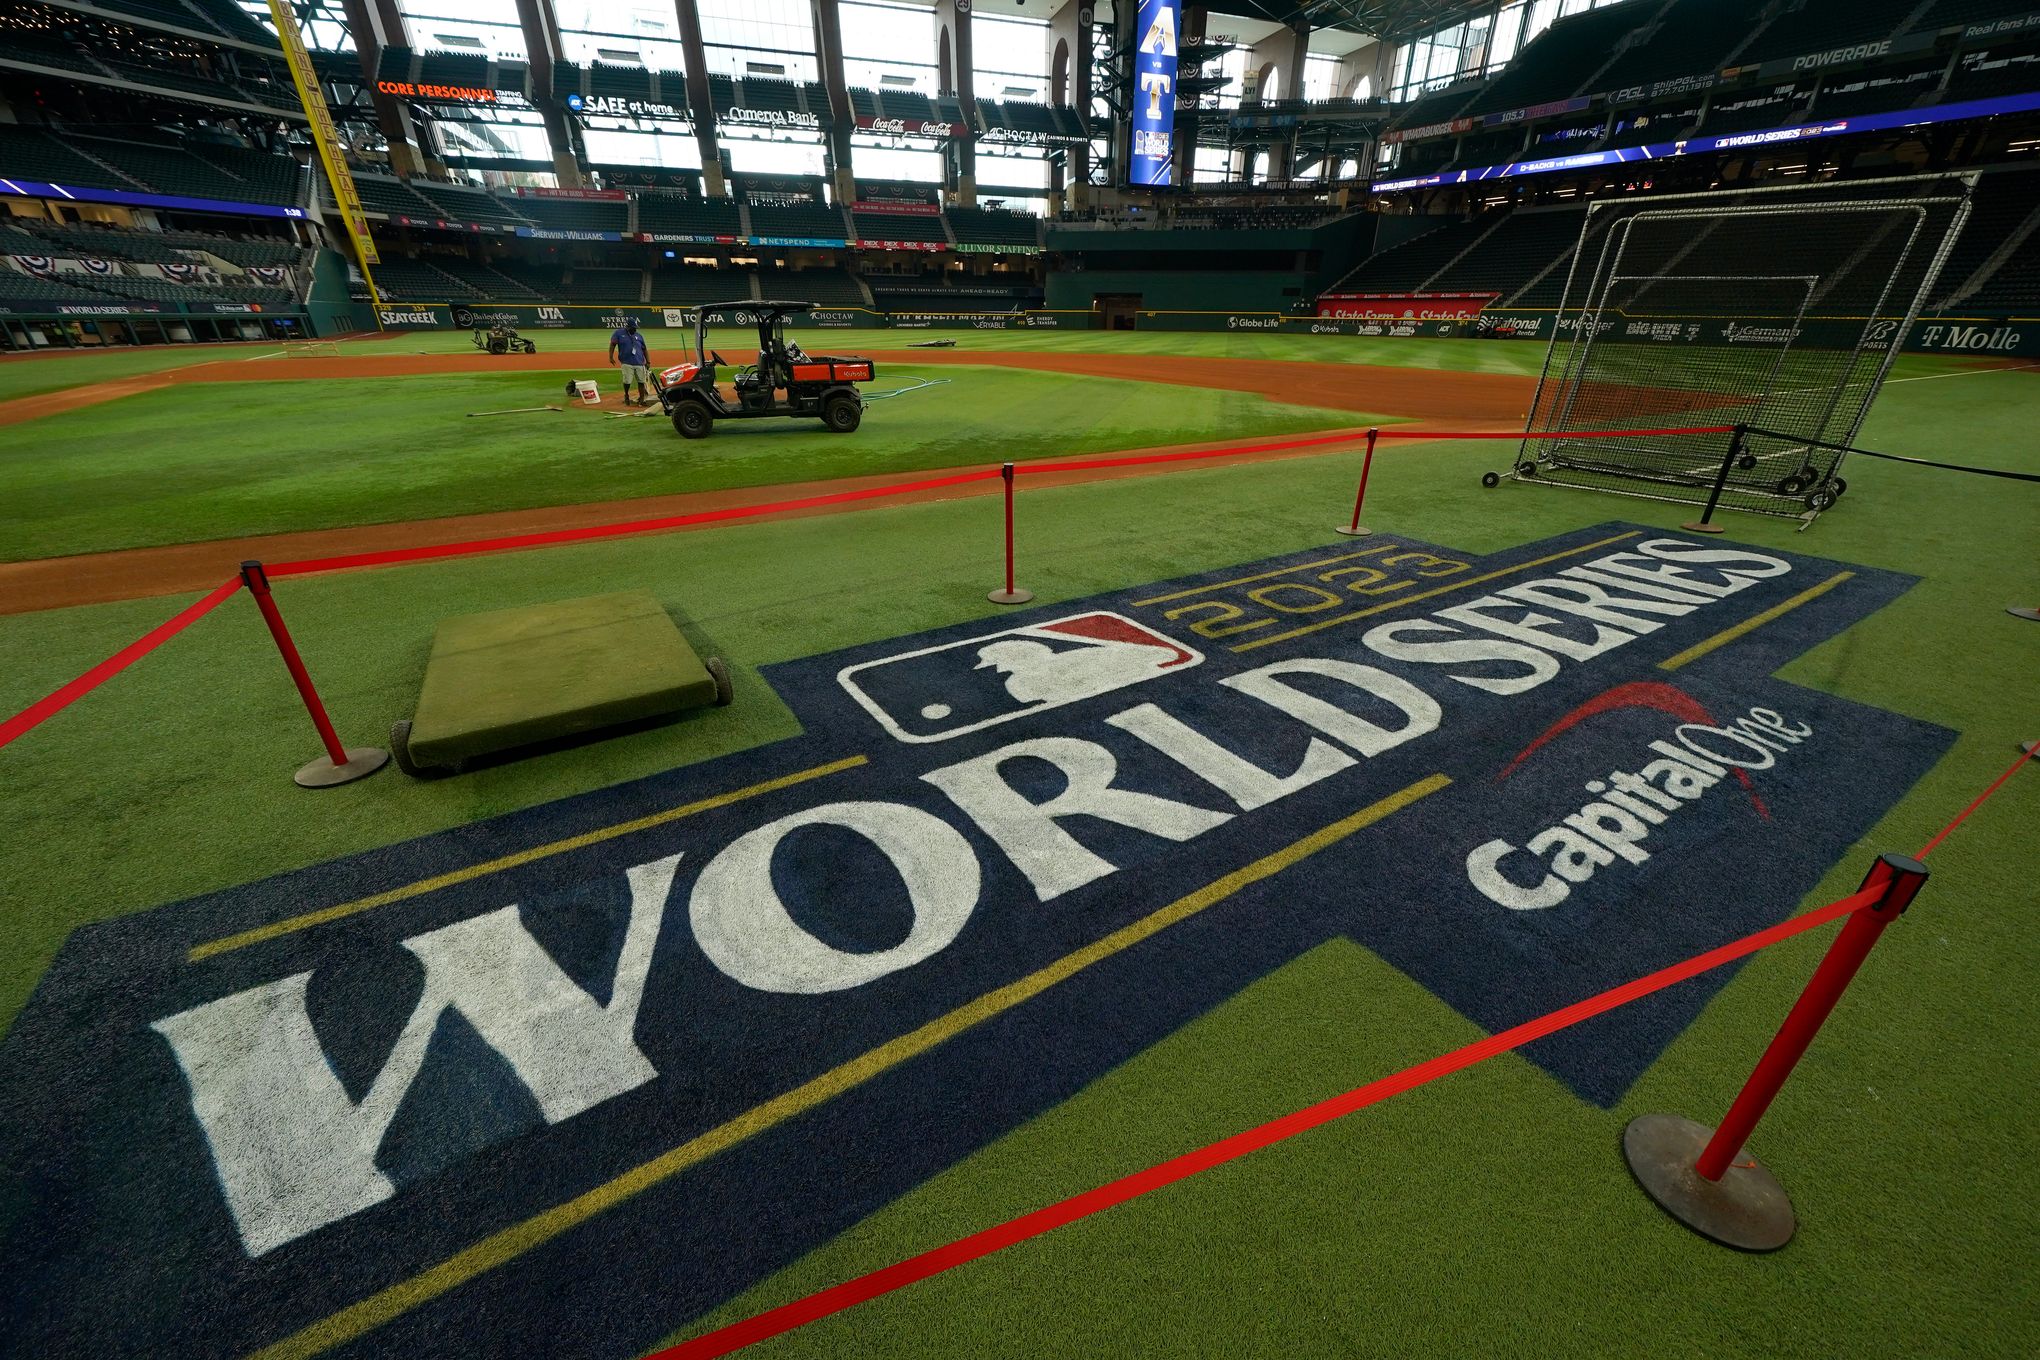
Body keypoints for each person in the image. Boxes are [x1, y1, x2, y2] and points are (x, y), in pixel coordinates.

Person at [608, 316, 652, 407]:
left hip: (639, 362)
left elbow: (644, 349)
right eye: (633, 328)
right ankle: (626, 395)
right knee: (627, 381)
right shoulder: (618, 333)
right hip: (626, 362)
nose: (635, 330)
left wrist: (648, 361)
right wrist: (611, 357)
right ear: (628, 327)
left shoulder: (639, 336)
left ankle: (642, 399)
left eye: (635, 328)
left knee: (641, 381)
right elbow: (612, 345)